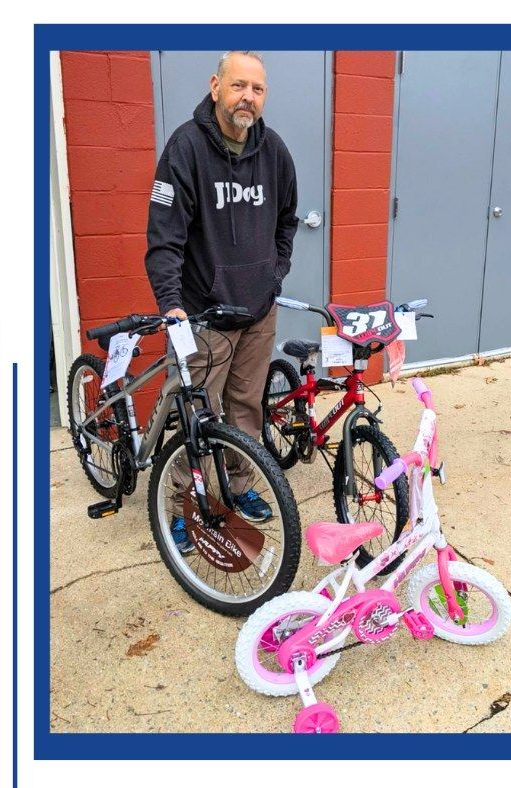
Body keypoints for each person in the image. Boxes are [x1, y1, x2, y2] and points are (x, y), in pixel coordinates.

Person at [145, 50, 299, 552]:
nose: (247, 98)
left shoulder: (274, 152)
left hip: (257, 311)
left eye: (256, 89)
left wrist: (274, 276)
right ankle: (183, 509)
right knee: (194, 416)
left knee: (245, 409)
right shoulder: (185, 150)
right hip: (202, 314)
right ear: (216, 86)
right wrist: (171, 305)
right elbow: (164, 237)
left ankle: (238, 489)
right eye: (238, 86)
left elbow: (287, 221)